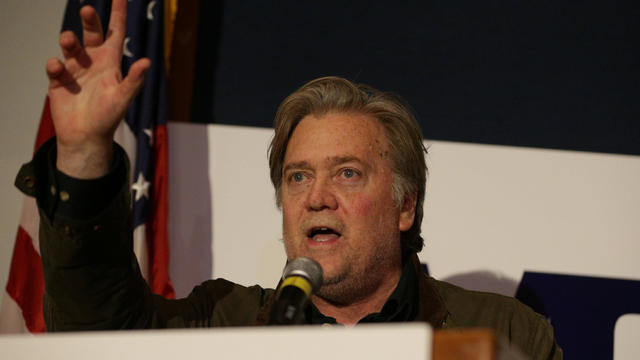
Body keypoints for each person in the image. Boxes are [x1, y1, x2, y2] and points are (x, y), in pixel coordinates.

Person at [15, 1, 561, 358]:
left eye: (348, 173)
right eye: (298, 177)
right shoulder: (224, 325)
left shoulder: (506, 334)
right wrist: (85, 153)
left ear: (405, 207)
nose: (317, 198)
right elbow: (98, 327)